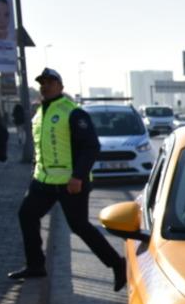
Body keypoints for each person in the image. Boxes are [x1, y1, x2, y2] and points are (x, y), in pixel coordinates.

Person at [8, 68, 126, 290]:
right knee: (26, 215)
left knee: (80, 226)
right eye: (42, 83)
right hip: (43, 181)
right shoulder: (39, 113)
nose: (45, 86)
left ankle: (117, 264)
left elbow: (91, 146)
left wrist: (78, 177)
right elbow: (42, 148)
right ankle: (35, 265)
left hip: (71, 183)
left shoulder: (73, 112)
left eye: (50, 82)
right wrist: (35, 171)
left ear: (60, 87)